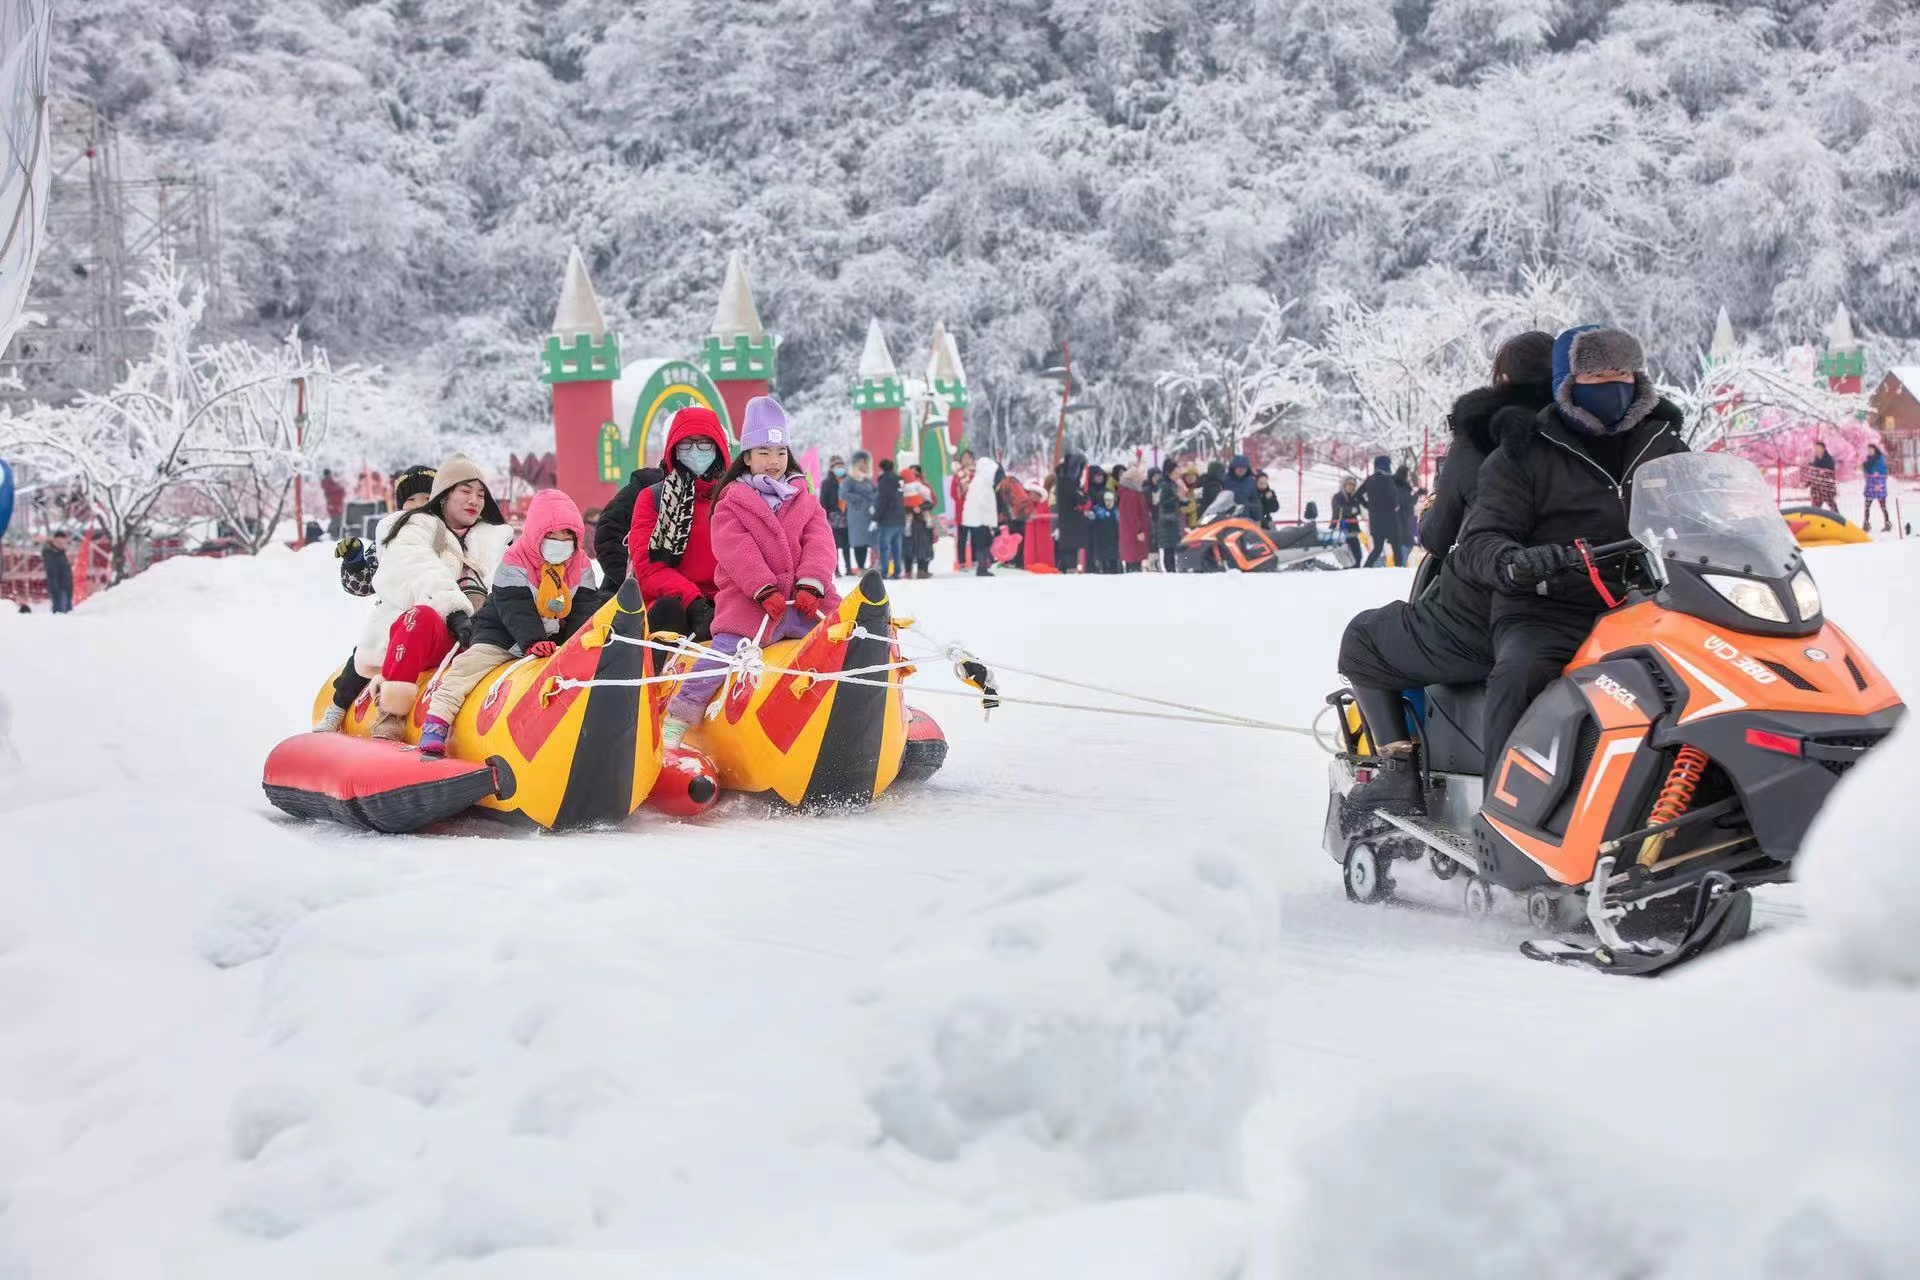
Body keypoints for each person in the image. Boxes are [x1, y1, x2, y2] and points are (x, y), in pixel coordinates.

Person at [1453, 324, 1687, 782]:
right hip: (1548, 608)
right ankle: (1502, 806)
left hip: (1646, 603)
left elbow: (1701, 510)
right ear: (1567, 384)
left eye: (1622, 372)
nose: (1614, 386)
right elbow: (1480, 538)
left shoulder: (1663, 443)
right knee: (1520, 673)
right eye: (1597, 377)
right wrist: (1513, 560)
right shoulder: (1524, 453)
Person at [1336, 329, 1554, 812]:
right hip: (1573, 605)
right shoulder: (1582, 436)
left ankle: (1397, 772)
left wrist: (1438, 507)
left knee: (1364, 639)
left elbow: (1436, 538)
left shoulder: (1481, 438)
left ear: (1501, 378)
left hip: (1482, 617)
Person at [660, 397, 839, 750]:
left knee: (850, 633)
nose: (773, 462)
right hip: (753, 604)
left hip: (805, 602)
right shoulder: (731, 501)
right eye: (763, 453)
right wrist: (763, 589)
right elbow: (735, 550)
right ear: (747, 456)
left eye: (779, 452)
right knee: (724, 651)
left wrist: (812, 583)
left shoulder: (804, 496)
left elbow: (820, 541)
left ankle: (888, 702)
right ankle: (681, 716)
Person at [416, 489, 606, 757]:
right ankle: (437, 719)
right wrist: (533, 640)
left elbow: (585, 606)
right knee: (470, 665)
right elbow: (514, 605)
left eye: (568, 537)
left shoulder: (580, 565)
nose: (560, 543)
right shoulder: (515, 559)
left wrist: (573, 645)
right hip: (502, 632)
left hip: (553, 636)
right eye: (552, 536)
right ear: (536, 534)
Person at [353, 454, 515, 740]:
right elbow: (418, 568)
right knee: (421, 617)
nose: (474, 500)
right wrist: (454, 614)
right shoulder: (413, 527)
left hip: (487, 633)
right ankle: (391, 714)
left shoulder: (497, 539)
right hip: (435, 633)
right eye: (465, 491)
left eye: (480, 494)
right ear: (442, 496)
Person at [318, 464, 438, 731]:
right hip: (395, 615)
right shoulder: (390, 538)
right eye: (411, 500)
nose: (419, 506)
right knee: (365, 656)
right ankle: (338, 706)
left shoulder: (446, 535)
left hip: (434, 613)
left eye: (427, 499)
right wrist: (354, 562)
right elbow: (363, 585)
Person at [629, 405, 733, 640]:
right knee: (668, 611)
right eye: (686, 444)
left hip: (729, 601)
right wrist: (693, 601)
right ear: (673, 450)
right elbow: (649, 568)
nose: (695, 451)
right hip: (677, 603)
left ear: (719, 449)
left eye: (704, 443)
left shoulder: (735, 497)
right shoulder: (653, 498)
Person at [593, 463, 667, 586]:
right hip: (628, 593)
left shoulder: (708, 492)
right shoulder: (646, 486)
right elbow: (608, 534)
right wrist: (633, 579)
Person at [1360, 456, 1407, 567]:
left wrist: (1368, 506)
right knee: (1396, 548)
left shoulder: (1369, 480)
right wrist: (1395, 505)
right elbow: (1393, 498)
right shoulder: (1388, 480)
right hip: (1390, 520)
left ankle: (1365, 568)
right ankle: (1399, 570)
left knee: (1377, 549)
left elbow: (1358, 495)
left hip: (1376, 521)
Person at [961, 455, 1001, 576]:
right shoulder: (982, 482)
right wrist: (991, 521)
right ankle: (982, 567)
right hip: (981, 519)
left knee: (982, 543)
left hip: (977, 519)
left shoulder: (979, 481)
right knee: (984, 543)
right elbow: (984, 503)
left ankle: (982, 566)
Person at [841, 451, 877, 573]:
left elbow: (875, 491)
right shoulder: (850, 479)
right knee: (858, 542)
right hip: (856, 515)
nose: (863, 465)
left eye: (865, 462)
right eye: (861, 462)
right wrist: (859, 499)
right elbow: (843, 493)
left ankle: (867, 565)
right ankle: (860, 567)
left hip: (868, 514)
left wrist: (873, 499)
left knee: (868, 541)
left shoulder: (867, 480)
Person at [1054, 452, 1088, 572]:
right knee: (1068, 546)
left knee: (1071, 546)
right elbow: (1076, 497)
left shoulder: (1067, 480)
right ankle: (1068, 568)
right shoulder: (1065, 482)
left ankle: (1069, 567)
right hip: (1068, 519)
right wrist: (1082, 497)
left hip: (1070, 519)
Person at [874, 457, 906, 578]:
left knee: (884, 547)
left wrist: (875, 517)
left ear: (882, 469)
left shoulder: (884, 481)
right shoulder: (900, 480)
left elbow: (882, 501)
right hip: (899, 518)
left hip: (887, 520)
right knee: (897, 548)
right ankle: (897, 571)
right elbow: (901, 497)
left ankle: (884, 571)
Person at [902, 464, 936, 578]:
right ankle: (908, 570)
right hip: (907, 521)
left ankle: (922, 570)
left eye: (915, 474)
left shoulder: (924, 487)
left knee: (923, 545)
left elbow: (932, 502)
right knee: (908, 546)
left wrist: (920, 508)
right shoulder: (902, 487)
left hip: (921, 521)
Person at [820, 455, 852, 575]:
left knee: (846, 544)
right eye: (838, 466)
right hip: (833, 516)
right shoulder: (827, 483)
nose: (840, 469)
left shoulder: (848, 481)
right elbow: (823, 501)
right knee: (835, 545)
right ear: (832, 468)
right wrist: (825, 516)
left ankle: (848, 568)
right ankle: (837, 569)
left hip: (846, 515)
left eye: (842, 466)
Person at [1117, 465, 1151, 571]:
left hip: (1129, 533)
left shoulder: (1127, 493)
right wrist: (1139, 530)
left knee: (1131, 559)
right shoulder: (1132, 494)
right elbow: (1133, 515)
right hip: (1134, 534)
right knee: (1135, 560)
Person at [1152, 468, 1186, 571]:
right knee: (1169, 549)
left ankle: (1173, 569)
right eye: (1175, 472)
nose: (1177, 474)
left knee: (1172, 547)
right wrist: (1177, 498)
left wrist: (1183, 501)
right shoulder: (1165, 485)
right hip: (1167, 521)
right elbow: (1163, 502)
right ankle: (1170, 570)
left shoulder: (1172, 485)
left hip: (1173, 520)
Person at [1087, 470, 1121, 574]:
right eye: (1097, 475)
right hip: (1098, 528)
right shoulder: (1089, 490)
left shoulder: (1107, 490)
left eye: (1101, 475)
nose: (1100, 478)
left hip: (1110, 528)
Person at [950, 450, 976, 571]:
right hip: (962, 511)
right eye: (964, 458)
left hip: (975, 510)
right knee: (962, 538)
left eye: (969, 458)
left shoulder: (975, 474)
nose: (967, 460)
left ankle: (976, 560)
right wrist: (963, 502)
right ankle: (962, 562)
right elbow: (953, 493)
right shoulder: (957, 475)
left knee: (976, 536)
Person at [1330, 478, 1365, 566]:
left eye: (1353, 485)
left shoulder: (1354, 497)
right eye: (1348, 484)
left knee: (1358, 556)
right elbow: (1338, 510)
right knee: (1345, 556)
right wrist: (1350, 510)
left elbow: (1358, 510)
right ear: (1344, 485)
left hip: (1353, 530)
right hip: (1341, 530)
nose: (1350, 487)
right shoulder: (1338, 497)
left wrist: (1351, 510)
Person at [40, 531, 73, 614]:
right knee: (60, 612)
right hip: (59, 588)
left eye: (63, 543)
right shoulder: (51, 554)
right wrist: (55, 589)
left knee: (66, 612)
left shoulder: (61, 553)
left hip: (66, 587)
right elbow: (52, 573)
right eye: (59, 542)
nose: (61, 544)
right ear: (54, 541)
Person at [1863, 442, 1891, 531]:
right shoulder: (1867, 460)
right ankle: (1866, 524)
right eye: (1868, 450)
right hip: (1870, 485)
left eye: (1871, 449)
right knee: (1867, 505)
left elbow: (1884, 470)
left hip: (1879, 485)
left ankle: (1887, 523)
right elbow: (1866, 471)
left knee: (1882, 505)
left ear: (1875, 450)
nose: (1870, 451)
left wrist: (1877, 474)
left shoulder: (1880, 459)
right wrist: (1868, 474)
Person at [1809, 441, 1838, 512]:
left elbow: (1829, 472)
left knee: (1832, 504)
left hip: (1826, 487)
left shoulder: (1829, 459)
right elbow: (1814, 472)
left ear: (1823, 449)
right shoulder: (1816, 459)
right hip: (1817, 488)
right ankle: (1815, 518)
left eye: (1819, 448)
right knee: (1815, 506)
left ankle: (1838, 519)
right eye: (1816, 448)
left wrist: (1820, 473)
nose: (1817, 450)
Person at [320, 468, 346, 540]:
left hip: (337, 504)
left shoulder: (331, 483)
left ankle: (335, 535)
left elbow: (341, 491)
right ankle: (330, 534)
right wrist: (339, 489)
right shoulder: (327, 484)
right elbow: (336, 491)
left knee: (338, 520)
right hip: (333, 505)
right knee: (336, 519)